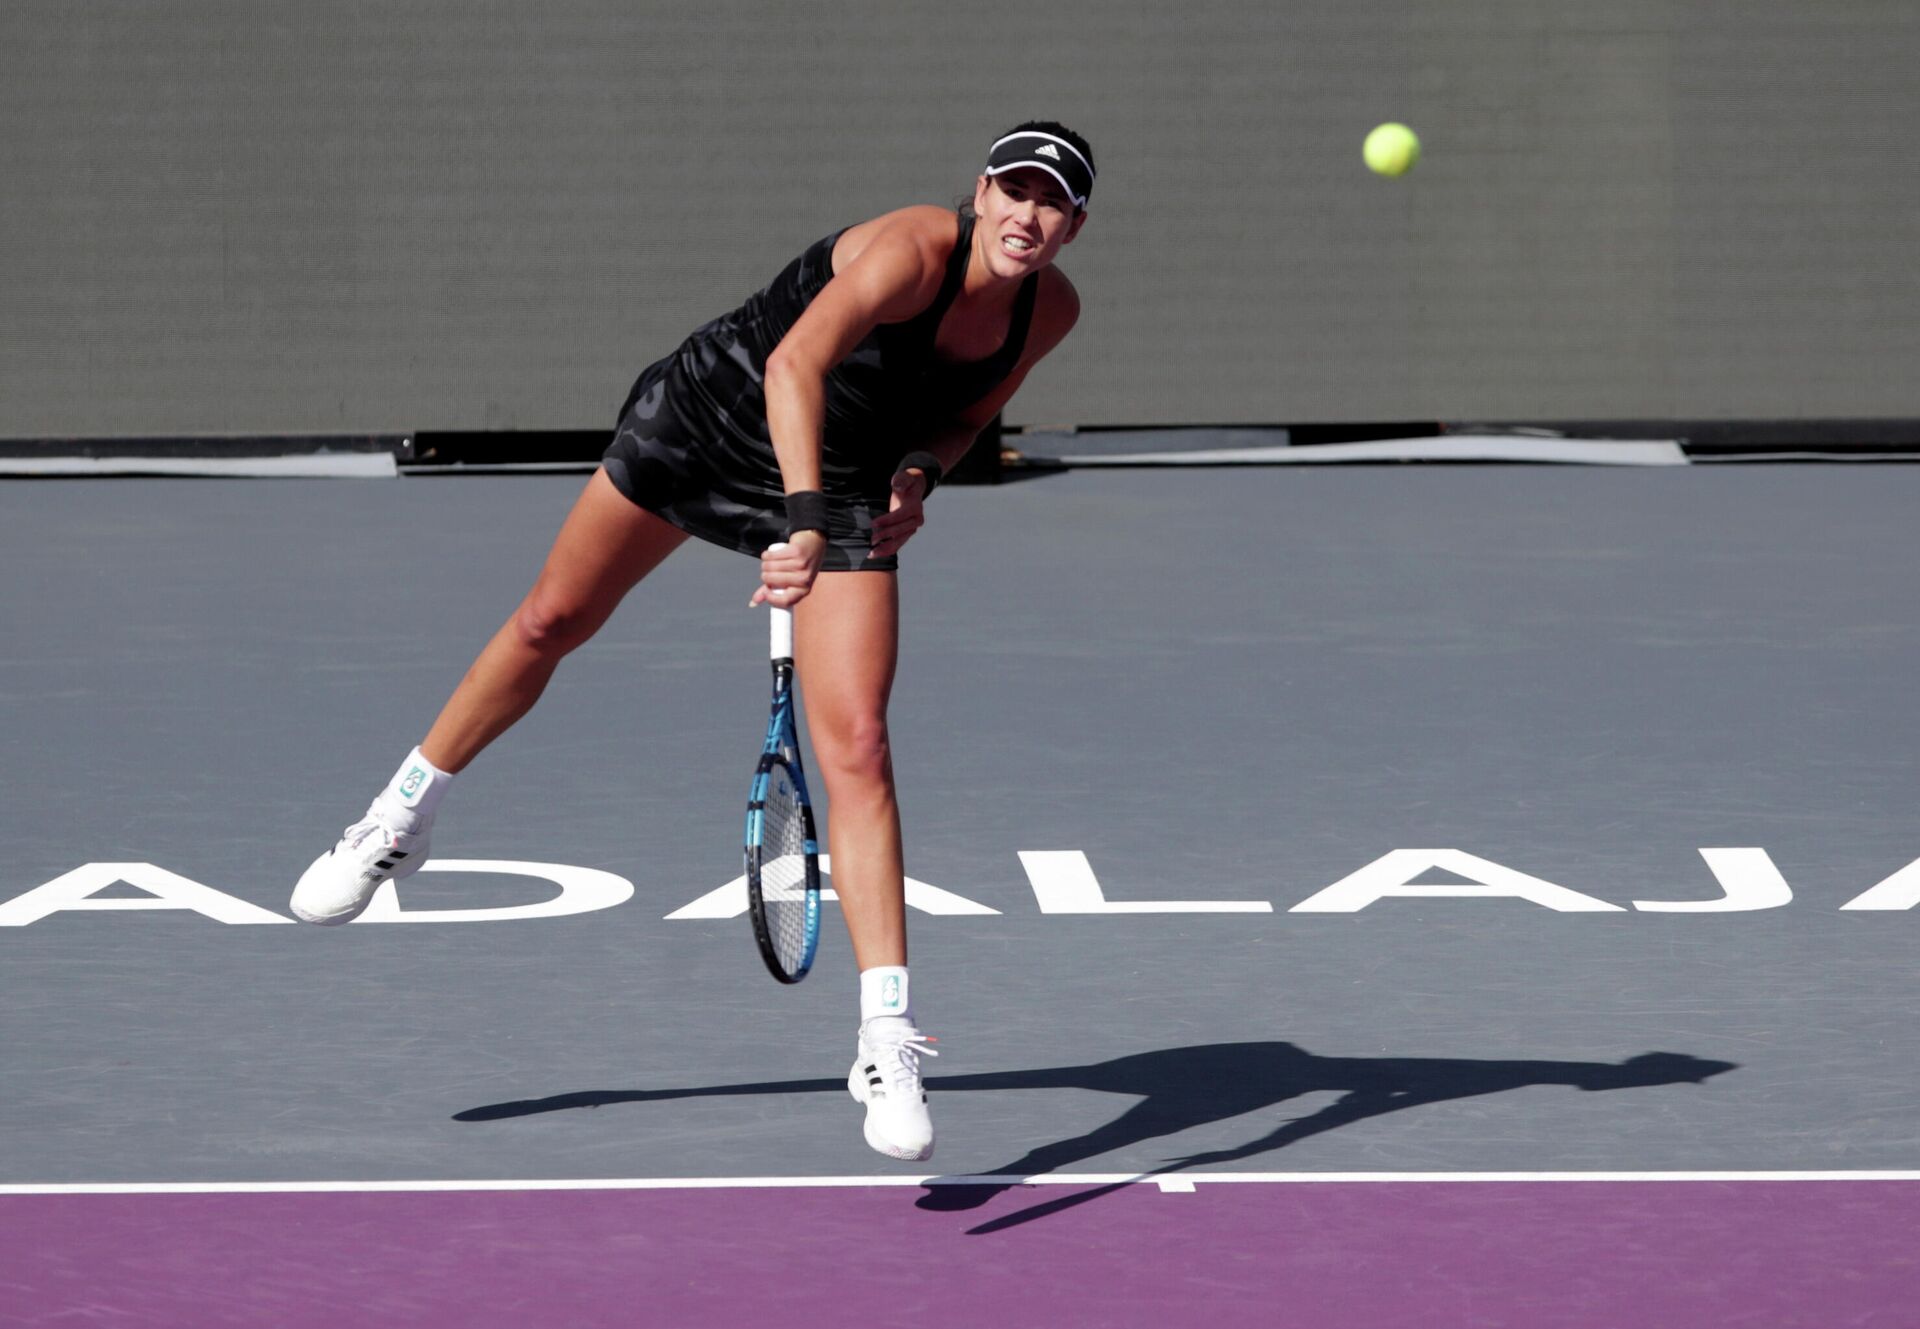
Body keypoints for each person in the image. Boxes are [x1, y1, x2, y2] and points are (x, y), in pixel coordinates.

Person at [290, 122, 1095, 1162]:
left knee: (858, 746)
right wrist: (798, 518)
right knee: (552, 619)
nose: (1028, 215)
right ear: (980, 191)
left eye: (1053, 201)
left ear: (1074, 224)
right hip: (716, 413)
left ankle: (885, 1038)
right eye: (1015, 190)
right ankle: (397, 820)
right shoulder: (906, 251)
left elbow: (971, 411)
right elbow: (797, 362)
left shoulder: (1049, 310)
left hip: (845, 476)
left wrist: (918, 475)